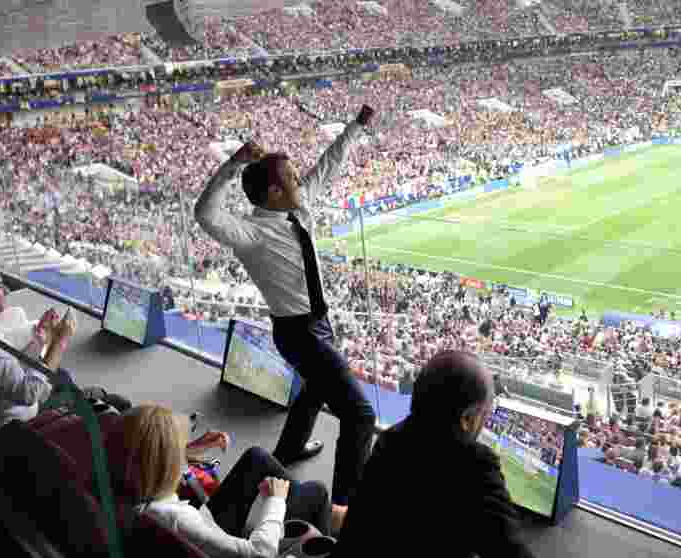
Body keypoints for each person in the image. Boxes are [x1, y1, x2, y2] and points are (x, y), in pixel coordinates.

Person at [194, 103, 378, 507]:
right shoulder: (251, 233)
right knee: (360, 415)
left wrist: (356, 128)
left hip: (317, 324)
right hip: (297, 332)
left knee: (316, 389)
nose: (302, 180)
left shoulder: (297, 208)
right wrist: (233, 165)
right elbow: (205, 213)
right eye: (293, 178)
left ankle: (290, 449)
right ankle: (347, 509)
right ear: (274, 192)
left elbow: (327, 166)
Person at [334, 350, 536, 558]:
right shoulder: (476, 464)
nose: (485, 421)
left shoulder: (390, 439)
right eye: (485, 413)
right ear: (467, 418)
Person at [124, 405, 342, 558]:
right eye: (177, 447)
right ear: (163, 464)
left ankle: (325, 514)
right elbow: (259, 554)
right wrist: (276, 501)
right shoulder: (176, 520)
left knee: (256, 457)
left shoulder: (132, 482)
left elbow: (150, 458)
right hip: (217, 537)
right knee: (317, 492)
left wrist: (194, 449)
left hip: (204, 521)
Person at [0, 263, 128, 425]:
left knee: (65, 378)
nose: (6, 290)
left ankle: (88, 398)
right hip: (22, 423)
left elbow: (8, 369)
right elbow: (30, 393)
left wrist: (39, 338)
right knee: (119, 403)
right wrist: (60, 341)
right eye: (0, 285)